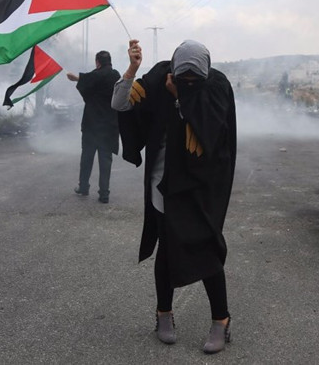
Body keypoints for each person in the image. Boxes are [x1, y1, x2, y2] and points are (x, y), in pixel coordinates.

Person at [112, 39, 237, 354]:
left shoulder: (217, 86)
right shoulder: (157, 78)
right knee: (167, 250)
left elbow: (215, 132)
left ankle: (221, 320)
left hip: (200, 184)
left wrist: (180, 98)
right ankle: (163, 314)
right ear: (174, 70)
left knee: (207, 247)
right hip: (163, 182)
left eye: (196, 81)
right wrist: (132, 70)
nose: (191, 84)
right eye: (185, 80)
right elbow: (120, 105)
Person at [67, 50, 120, 204]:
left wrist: (75, 78)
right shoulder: (116, 75)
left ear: (98, 62)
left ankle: (83, 187)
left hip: (91, 125)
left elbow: (86, 82)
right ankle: (104, 194)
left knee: (87, 158)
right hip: (109, 126)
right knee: (105, 161)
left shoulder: (95, 75)